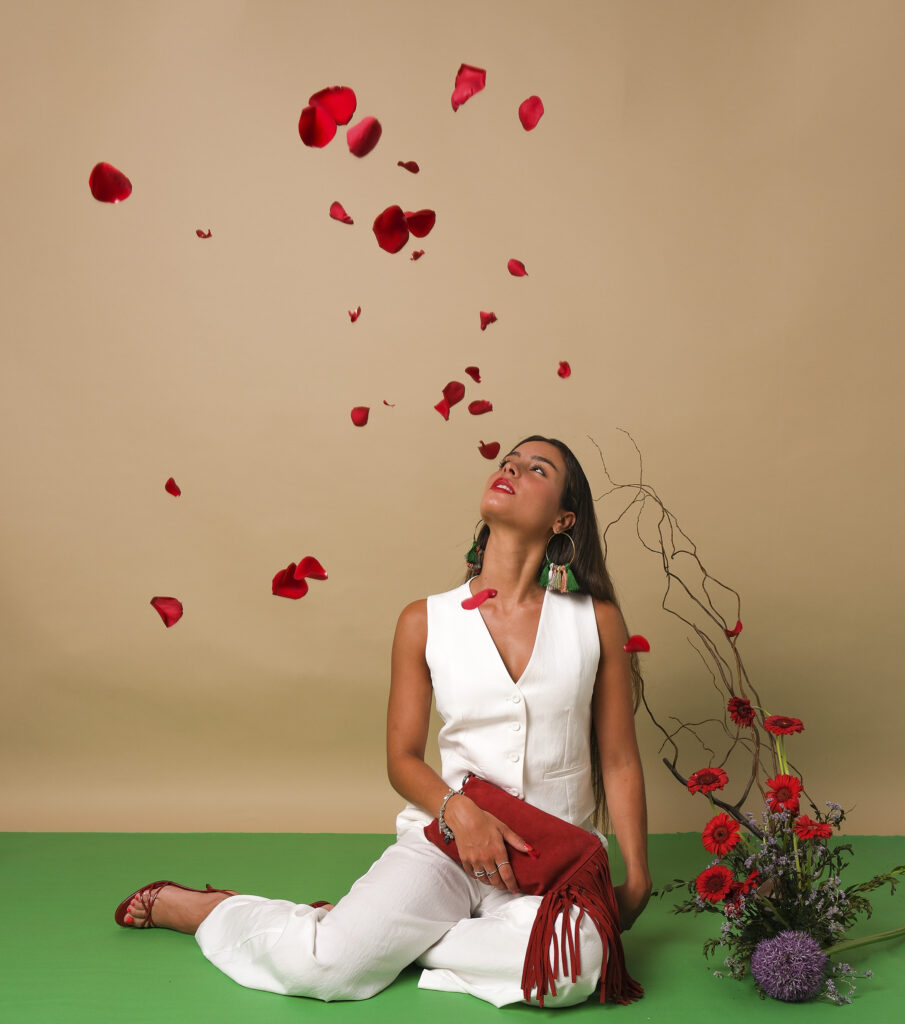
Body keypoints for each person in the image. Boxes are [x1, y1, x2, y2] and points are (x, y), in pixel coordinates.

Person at [115, 436, 651, 1007]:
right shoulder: (425, 620)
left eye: (535, 469)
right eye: (507, 461)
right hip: (446, 840)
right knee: (325, 968)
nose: (512, 470)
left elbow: (618, 759)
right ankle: (213, 909)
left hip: (555, 863)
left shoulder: (596, 620)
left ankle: (384, 935)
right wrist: (460, 815)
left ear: (564, 517)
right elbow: (401, 759)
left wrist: (637, 878)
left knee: (572, 967)